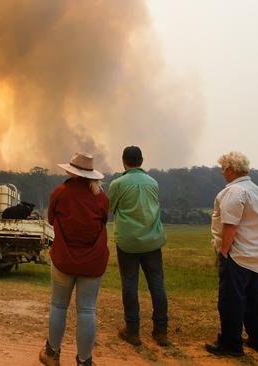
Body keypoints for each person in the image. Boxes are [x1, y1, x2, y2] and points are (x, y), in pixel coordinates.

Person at [39, 152, 110, 366]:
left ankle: (52, 354)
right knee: (87, 310)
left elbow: (51, 219)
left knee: (59, 306)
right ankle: (84, 361)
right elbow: (103, 222)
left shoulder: (61, 192)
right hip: (93, 262)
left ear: (71, 171)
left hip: (63, 259)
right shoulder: (101, 198)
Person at [205, 152, 258, 356]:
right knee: (254, 300)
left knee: (230, 301)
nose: (222, 172)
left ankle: (230, 345)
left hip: (238, 254)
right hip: (256, 253)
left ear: (231, 169)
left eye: (223, 168)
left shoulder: (234, 191)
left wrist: (224, 253)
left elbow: (230, 226)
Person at [107, 146, 168, 347]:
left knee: (130, 285)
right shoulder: (153, 182)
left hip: (128, 242)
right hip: (152, 240)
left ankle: (132, 331)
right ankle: (161, 331)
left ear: (124, 161)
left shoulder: (117, 184)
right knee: (157, 285)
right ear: (141, 161)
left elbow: (111, 208)